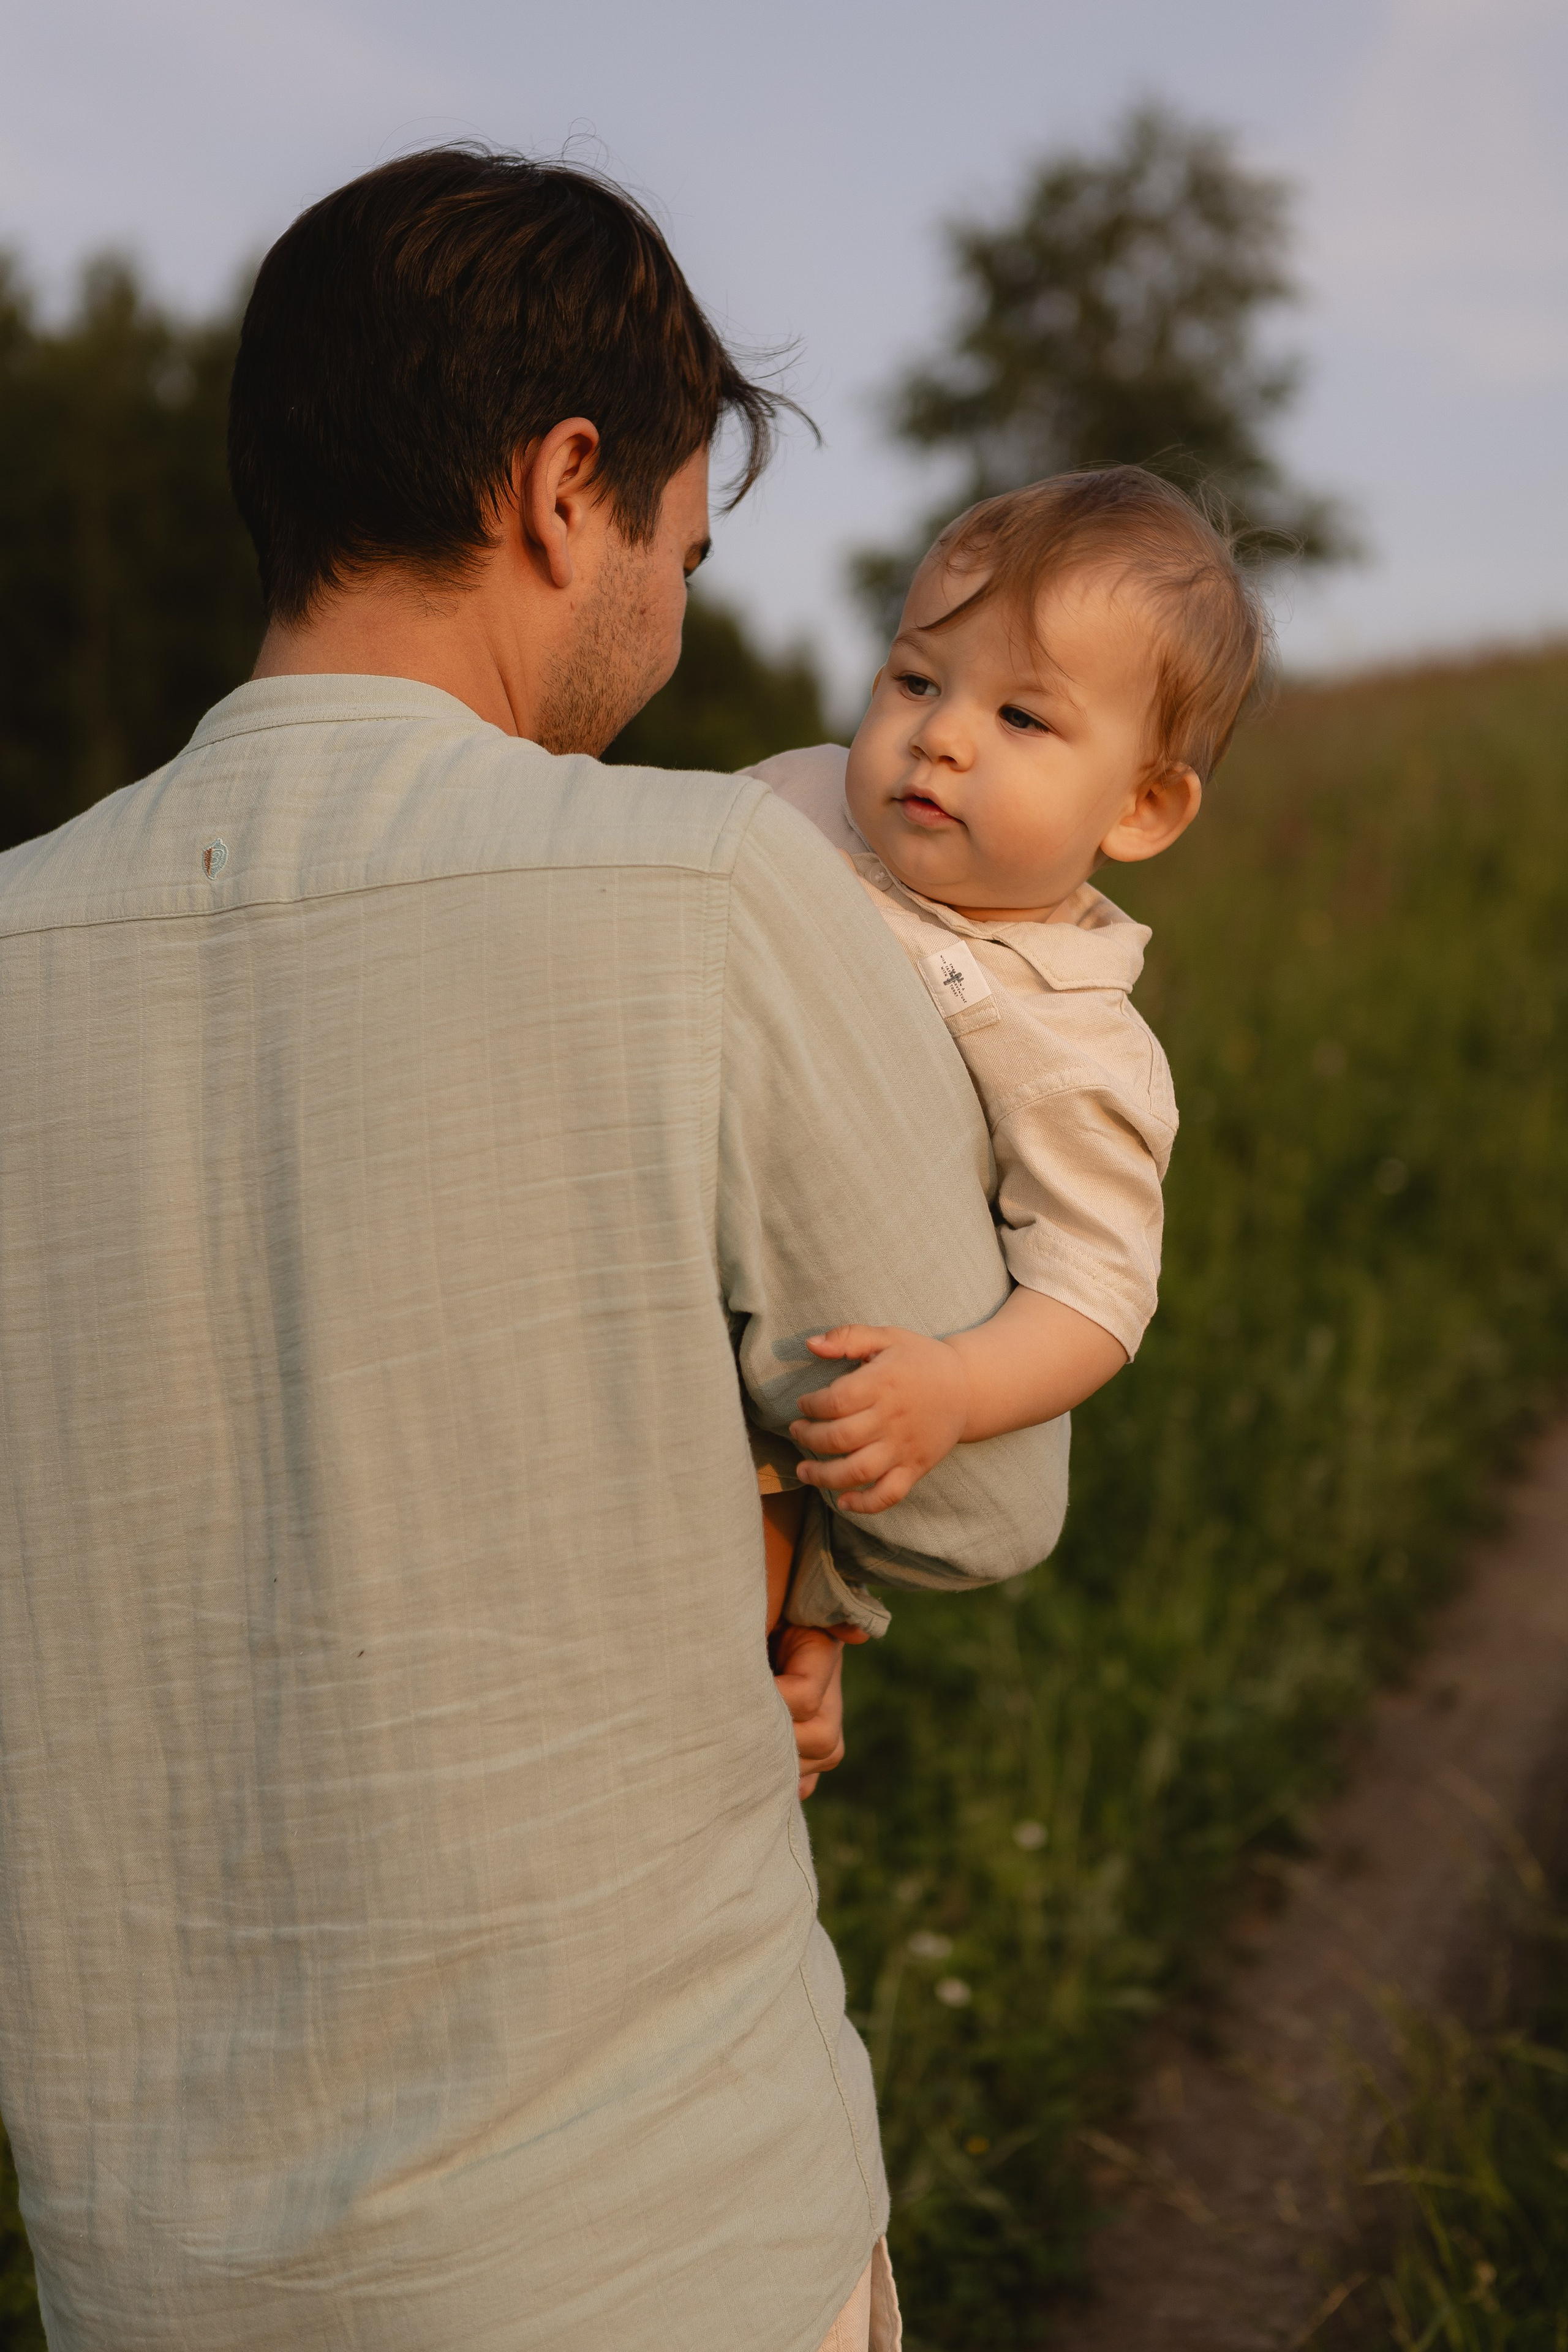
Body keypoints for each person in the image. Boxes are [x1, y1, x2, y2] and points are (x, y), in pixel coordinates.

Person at [0, 149, 1066, 2352]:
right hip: (666, 2252)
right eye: (680, 549)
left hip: (147, 2285)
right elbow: (976, 1489)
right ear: (564, 487)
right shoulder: (705, 887)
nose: (670, 622)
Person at [747, 469, 1267, 1626]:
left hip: (829, 1373)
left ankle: (813, 1632)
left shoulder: (1074, 1038)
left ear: (1139, 809)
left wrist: (961, 1385)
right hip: (683, 1245)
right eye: (917, 678)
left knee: (806, 1502)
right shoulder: (795, 796)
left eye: (1021, 717)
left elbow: (1094, 1292)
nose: (938, 737)